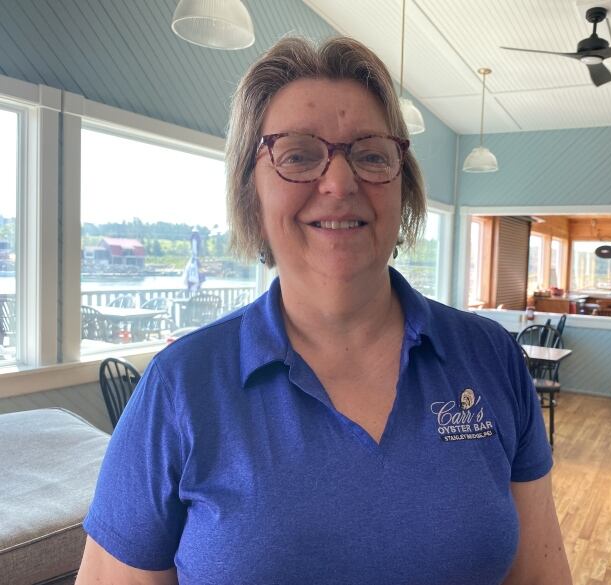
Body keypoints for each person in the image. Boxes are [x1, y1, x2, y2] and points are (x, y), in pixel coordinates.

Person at [76, 36, 572, 585]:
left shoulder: (490, 358)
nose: (339, 182)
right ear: (251, 195)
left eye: (371, 154)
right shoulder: (181, 388)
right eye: (297, 155)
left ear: (402, 189)